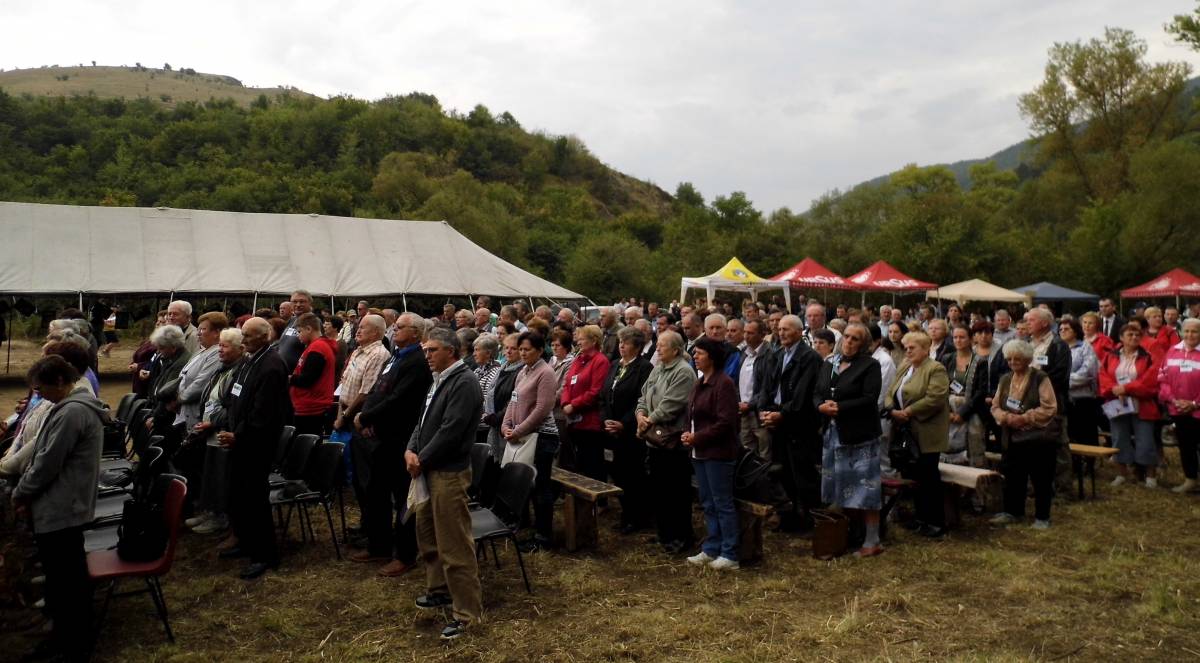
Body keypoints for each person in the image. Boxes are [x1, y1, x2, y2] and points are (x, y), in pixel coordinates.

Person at [12, 356, 108, 661]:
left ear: (59, 381)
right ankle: (67, 636)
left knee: (67, 580)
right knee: (64, 577)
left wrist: (21, 492)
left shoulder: (73, 412)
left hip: (64, 507)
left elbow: (47, 463)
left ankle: (73, 644)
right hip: (64, 504)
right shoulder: (69, 407)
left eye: (40, 389)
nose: (39, 395)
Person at [406, 327, 484, 641]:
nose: (426, 355)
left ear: (450, 351)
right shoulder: (439, 378)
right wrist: (411, 449)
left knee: (454, 544)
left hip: (448, 473)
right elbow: (422, 421)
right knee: (427, 535)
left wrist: (421, 458)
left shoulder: (464, 382)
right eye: (425, 350)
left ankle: (467, 613)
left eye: (432, 350)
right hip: (428, 468)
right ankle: (439, 590)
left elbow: (451, 431)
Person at [349, 312, 432, 575]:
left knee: (402, 497)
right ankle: (379, 545)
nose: (394, 330)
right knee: (376, 492)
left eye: (400, 327)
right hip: (380, 437)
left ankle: (405, 554)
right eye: (395, 327)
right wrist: (366, 416)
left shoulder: (417, 362)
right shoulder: (396, 356)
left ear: (416, 333)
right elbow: (377, 389)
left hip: (399, 439)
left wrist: (366, 416)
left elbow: (398, 400)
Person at [216, 317, 290, 579]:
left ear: (264, 336)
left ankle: (264, 554)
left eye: (248, 335)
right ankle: (246, 542)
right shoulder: (250, 359)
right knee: (240, 495)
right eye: (242, 334)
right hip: (240, 437)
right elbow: (234, 395)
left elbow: (263, 413)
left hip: (256, 444)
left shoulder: (271, 365)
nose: (243, 339)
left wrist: (238, 435)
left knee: (255, 498)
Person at [815, 323, 884, 557]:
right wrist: (820, 406)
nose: (849, 341)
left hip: (859, 436)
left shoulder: (870, 365)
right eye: (847, 336)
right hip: (833, 434)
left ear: (863, 344)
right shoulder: (830, 363)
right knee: (839, 485)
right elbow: (817, 391)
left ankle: (872, 540)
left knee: (866, 489)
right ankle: (848, 533)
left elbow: (870, 397)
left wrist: (840, 407)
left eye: (855, 339)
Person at [756, 314, 823, 530]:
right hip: (777, 420)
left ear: (798, 332)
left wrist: (782, 414)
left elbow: (802, 395)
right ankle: (790, 514)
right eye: (779, 329)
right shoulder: (777, 355)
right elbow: (767, 386)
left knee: (802, 472)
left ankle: (808, 518)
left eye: (786, 329)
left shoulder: (809, 358)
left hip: (798, 424)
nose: (781, 333)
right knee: (782, 470)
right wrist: (764, 411)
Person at [680, 336, 741, 570]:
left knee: (722, 502)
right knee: (708, 502)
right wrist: (687, 433)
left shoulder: (724, 384)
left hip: (718, 453)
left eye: (700, 353)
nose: (695, 356)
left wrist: (697, 437)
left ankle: (730, 552)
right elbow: (691, 414)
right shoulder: (700, 382)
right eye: (694, 353)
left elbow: (725, 422)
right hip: (700, 452)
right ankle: (712, 547)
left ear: (712, 357)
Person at [636, 330, 697, 553]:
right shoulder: (659, 368)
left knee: (676, 491)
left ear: (676, 350)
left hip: (673, 443)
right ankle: (664, 533)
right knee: (659, 489)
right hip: (654, 440)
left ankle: (681, 537)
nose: (658, 348)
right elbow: (643, 396)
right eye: (658, 344)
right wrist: (640, 415)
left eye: (662, 345)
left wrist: (647, 421)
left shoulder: (683, 372)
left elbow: (671, 404)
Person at [989, 340, 1061, 529]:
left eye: (1017, 359)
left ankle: (1042, 517)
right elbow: (995, 406)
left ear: (1028, 359)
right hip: (1011, 437)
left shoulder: (1040, 377)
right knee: (1013, 477)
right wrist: (1005, 417)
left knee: (1041, 478)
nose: (1012, 362)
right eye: (1009, 359)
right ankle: (1013, 512)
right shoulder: (1005, 379)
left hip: (1038, 438)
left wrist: (1025, 418)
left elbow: (1050, 408)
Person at [884, 330, 949, 538]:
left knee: (928, 476)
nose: (908, 351)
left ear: (925, 349)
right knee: (913, 476)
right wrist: (891, 409)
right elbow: (890, 392)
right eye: (906, 348)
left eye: (912, 348)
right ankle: (920, 518)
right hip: (905, 430)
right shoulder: (905, 367)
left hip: (926, 432)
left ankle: (936, 522)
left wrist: (909, 411)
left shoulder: (935, 369)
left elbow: (935, 397)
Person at [501, 331, 561, 547]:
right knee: (524, 483)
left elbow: (543, 408)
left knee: (541, 486)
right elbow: (513, 401)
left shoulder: (546, 372)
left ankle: (543, 536)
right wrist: (506, 425)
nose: (522, 353)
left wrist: (519, 430)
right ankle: (524, 522)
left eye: (527, 349)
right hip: (522, 434)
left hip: (542, 436)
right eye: (521, 349)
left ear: (539, 350)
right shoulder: (523, 371)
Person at [186, 327, 245, 537]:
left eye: (225, 346)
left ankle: (220, 517)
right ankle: (210, 511)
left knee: (221, 476)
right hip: (211, 429)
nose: (220, 349)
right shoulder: (223, 368)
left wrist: (212, 423)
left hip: (222, 431)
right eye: (219, 345)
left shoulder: (239, 372)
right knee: (210, 473)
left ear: (239, 349)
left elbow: (232, 407)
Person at [601, 326, 654, 534]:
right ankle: (626, 513)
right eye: (620, 342)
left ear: (638, 347)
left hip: (631, 431)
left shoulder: (644, 368)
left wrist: (623, 423)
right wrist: (606, 420)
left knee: (633, 475)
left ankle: (637, 517)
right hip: (611, 430)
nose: (621, 346)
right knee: (617, 473)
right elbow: (604, 395)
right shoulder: (615, 365)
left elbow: (641, 400)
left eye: (627, 343)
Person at [1100, 324, 1161, 488]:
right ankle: (1121, 473)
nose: (1134, 337)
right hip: (1117, 403)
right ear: (1121, 338)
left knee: (1146, 440)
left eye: (1137, 335)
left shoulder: (1147, 357)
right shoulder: (1110, 356)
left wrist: (1126, 389)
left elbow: (1150, 380)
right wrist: (1114, 389)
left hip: (1142, 404)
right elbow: (1103, 376)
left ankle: (1150, 476)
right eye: (1130, 334)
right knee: (1119, 438)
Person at [560, 325, 612, 482]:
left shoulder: (600, 361)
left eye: (582, 339)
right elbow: (567, 384)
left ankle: (598, 496)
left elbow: (596, 391)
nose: (578, 342)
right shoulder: (578, 359)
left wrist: (574, 405)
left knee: (593, 465)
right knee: (579, 464)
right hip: (573, 421)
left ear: (594, 341)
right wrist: (565, 403)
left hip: (590, 423)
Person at [1159, 318, 1200, 493]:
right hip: (1178, 409)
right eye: (1187, 331)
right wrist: (1173, 400)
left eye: (1195, 331)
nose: (1190, 335)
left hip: (1197, 410)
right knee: (1186, 445)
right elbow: (1162, 378)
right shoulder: (1172, 351)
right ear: (1181, 332)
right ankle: (1190, 479)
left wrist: (1195, 403)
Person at [939, 325, 988, 467]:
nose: (958, 340)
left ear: (971, 339)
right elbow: (940, 386)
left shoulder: (980, 361)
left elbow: (981, 391)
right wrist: (947, 411)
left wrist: (962, 413)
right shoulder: (947, 358)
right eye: (955, 337)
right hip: (948, 408)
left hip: (971, 409)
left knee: (973, 444)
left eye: (962, 337)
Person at [334, 314, 390, 436]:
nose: (358, 331)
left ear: (375, 332)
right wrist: (340, 414)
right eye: (358, 327)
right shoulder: (357, 351)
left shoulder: (378, 355)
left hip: (357, 417)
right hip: (345, 414)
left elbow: (366, 393)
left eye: (362, 328)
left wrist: (344, 417)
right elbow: (344, 383)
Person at [289, 312, 337, 437]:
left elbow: (307, 379)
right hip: (308, 405)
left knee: (305, 444)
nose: (298, 335)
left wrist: (289, 378)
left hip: (311, 407)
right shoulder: (316, 346)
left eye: (299, 331)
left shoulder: (318, 347)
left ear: (309, 329)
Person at [145, 324, 193, 447]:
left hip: (168, 418)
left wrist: (155, 417)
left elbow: (167, 393)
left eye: (161, 348)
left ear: (173, 347)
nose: (158, 352)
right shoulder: (171, 359)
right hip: (163, 414)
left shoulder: (180, 363)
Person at [1058, 318, 1100, 447]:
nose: (1063, 331)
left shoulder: (1085, 347)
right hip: (1063, 399)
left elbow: (1088, 372)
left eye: (1067, 329)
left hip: (1083, 399)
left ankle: (1089, 459)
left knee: (1086, 437)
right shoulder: (1057, 349)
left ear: (1075, 331)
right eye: (1060, 329)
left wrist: (1064, 381)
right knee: (1068, 437)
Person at [736, 319, 772, 459]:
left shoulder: (768, 354)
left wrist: (751, 404)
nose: (746, 336)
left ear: (762, 335)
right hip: (743, 411)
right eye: (745, 332)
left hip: (759, 411)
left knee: (764, 450)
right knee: (746, 450)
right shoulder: (744, 353)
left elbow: (766, 386)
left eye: (750, 333)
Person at [472, 334, 502, 446]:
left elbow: (487, 401)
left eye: (477, 350)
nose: (474, 354)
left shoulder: (495, 372)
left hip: (484, 425)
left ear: (488, 353)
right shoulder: (478, 370)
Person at [276, 289, 314, 372]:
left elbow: (314, 353)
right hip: (281, 372)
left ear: (310, 303)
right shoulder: (292, 320)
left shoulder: (313, 322)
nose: (298, 305)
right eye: (294, 302)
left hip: (295, 375)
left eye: (302, 302)